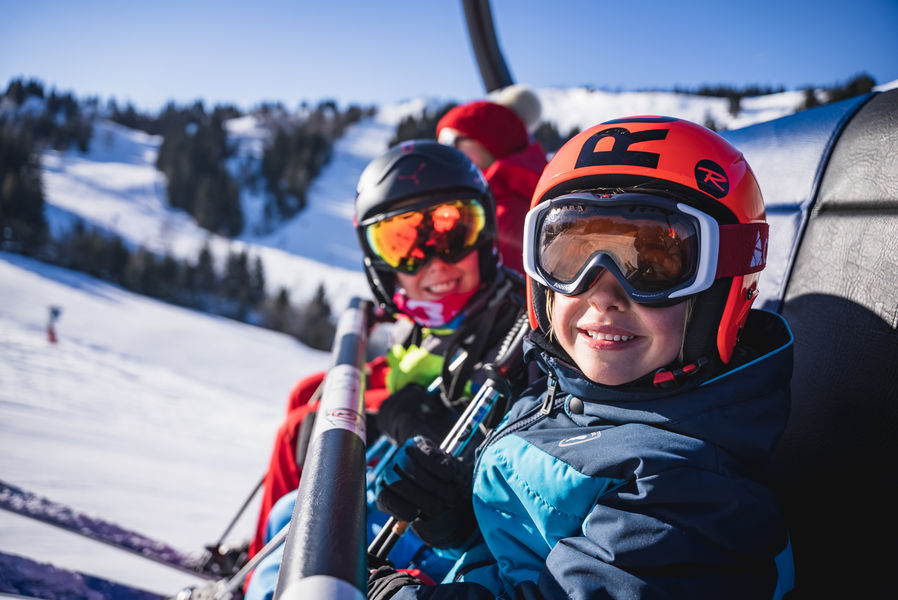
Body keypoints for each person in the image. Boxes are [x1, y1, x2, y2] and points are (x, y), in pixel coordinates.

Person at [368, 116, 795, 599]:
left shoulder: (691, 494)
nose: (603, 294)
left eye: (651, 266)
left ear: (723, 288)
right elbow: (541, 544)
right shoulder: (564, 394)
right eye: (572, 258)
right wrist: (459, 519)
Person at [243, 139, 528, 598]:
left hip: (450, 525)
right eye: (402, 242)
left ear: (486, 232)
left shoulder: (514, 330)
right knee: (289, 508)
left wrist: (410, 420)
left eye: (453, 232)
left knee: (297, 508)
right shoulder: (420, 320)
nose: (435, 261)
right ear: (379, 262)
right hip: (414, 487)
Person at [436, 87, 548, 275]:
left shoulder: (506, 213)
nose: (444, 153)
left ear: (488, 142)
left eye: (450, 141)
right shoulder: (485, 199)